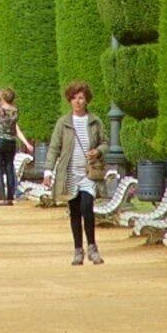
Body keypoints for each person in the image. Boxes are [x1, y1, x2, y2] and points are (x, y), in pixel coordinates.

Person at [46, 84, 109, 263]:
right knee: (74, 211)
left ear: (86, 99)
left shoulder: (95, 121)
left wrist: (98, 151)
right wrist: (48, 172)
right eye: (74, 98)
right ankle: (78, 250)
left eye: (81, 98)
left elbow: (105, 142)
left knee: (87, 208)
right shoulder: (63, 123)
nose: (77, 101)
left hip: (88, 173)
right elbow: (54, 148)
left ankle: (92, 247)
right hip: (70, 173)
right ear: (69, 100)